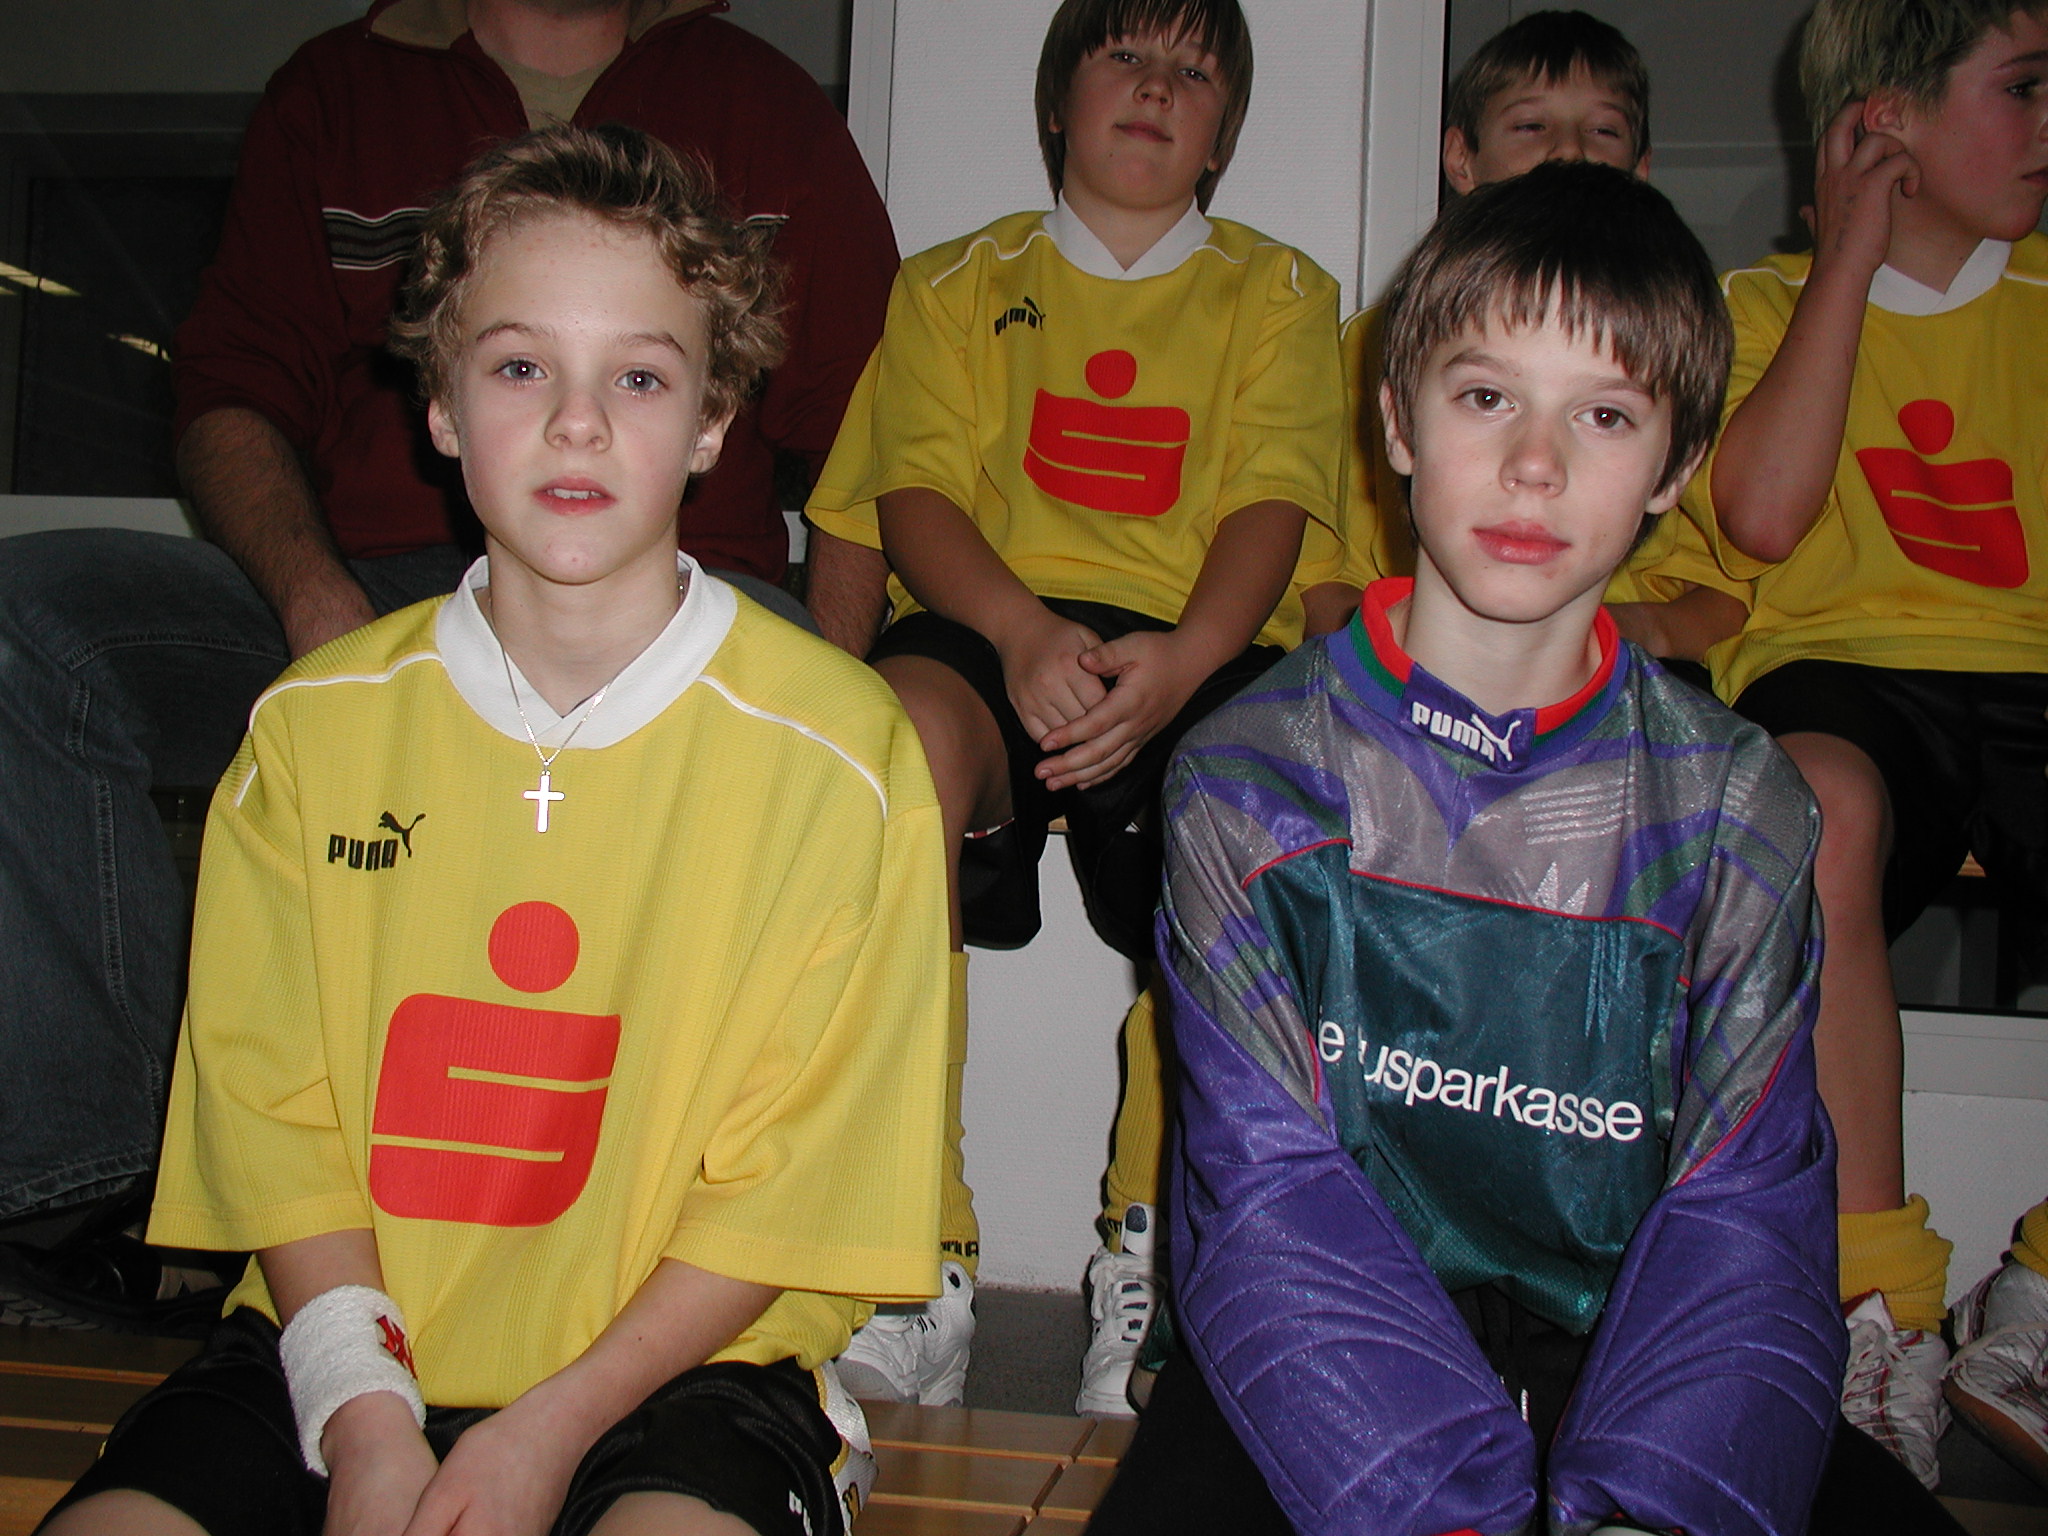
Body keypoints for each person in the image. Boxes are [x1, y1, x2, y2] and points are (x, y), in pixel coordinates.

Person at [34, 124, 947, 1536]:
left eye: (638, 376)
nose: (578, 423)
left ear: (713, 420)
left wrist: (550, 1429)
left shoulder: (846, 756)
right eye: (521, 367)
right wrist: (366, 1416)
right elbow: (273, 1122)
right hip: (338, 1349)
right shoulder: (310, 735)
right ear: (443, 405)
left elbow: (795, 1185)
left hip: (688, 1370)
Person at [1088, 161, 1968, 1536]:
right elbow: (1265, 1203)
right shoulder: (1248, 782)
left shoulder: (1734, 809)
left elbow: (1744, 1216)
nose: (1535, 465)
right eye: (1486, 397)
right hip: (1317, 1361)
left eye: (1603, 414)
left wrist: (1651, 1507)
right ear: (1397, 420)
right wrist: (1442, 1509)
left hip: (1635, 1351)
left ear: (1676, 464)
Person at [806, 0, 1346, 1414]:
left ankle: (1152, 1252)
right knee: (900, 744)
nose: (1157, 88)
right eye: (1126, 57)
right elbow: (911, 497)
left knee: (1253, 792)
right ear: (1057, 98)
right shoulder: (951, 281)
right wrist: (1018, 629)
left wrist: (1186, 659)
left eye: (1194, 72)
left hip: (1196, 644)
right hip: (993, 621)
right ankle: (910, 1247)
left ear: (1223, 132)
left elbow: (1275, 504)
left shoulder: (1284, 292)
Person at [1691, 0, 2048, 1487]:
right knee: (1813, 803)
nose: (2046, 124)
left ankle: (2037, 1299)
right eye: (2022, 87)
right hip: (1841, 671)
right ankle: (1875, 1309)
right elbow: (1763, 519)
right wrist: (1844, 256)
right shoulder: (1754, 306)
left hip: (2028, 672)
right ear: (1883, 122)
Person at [1336, 9, 1750, 685]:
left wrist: (1620, 637)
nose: (1567, 151)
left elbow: (1724, 593)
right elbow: (1328, 584)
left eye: (1606, 415)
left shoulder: (1677, 351)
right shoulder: (1372, 344)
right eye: (1486, 397)